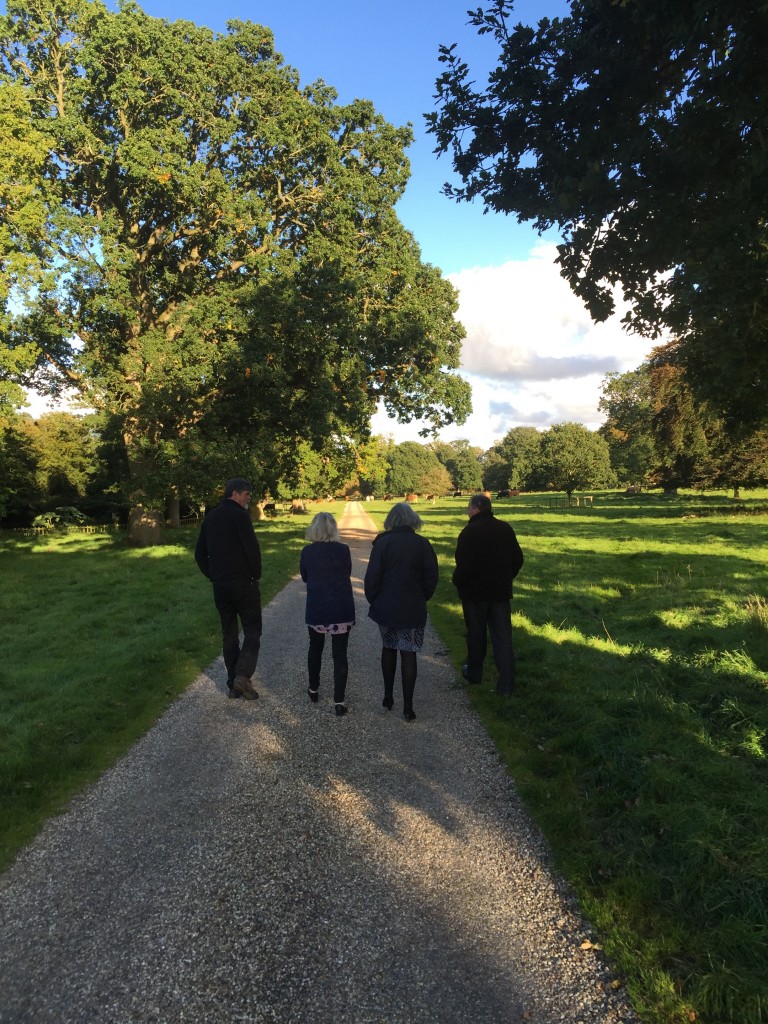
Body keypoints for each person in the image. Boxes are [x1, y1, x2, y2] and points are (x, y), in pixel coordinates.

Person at [364, 501, 439, 722]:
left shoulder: (382, 544)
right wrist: (422, 597)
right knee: (408, 653)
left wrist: (375, 600)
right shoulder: (422, 544)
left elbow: (372, 578)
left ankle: (388, 697)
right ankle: (408, 707)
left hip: (386, 607)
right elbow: (431, 576)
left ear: (391, 520)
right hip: (412, 607)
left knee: (388, 648)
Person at [194, 478, 262, 700]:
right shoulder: (240, 516)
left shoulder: (211, 517)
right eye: (246, 495)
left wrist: (213, 575)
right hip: (244, 583)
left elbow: (199, 554)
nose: (248, 498)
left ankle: (233, 685)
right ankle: (242, 675)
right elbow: (251, 549)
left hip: (221, 586)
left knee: (229, 633)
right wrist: (256, 575)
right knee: (252, 629)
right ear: (234, 493)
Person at [452, 492, 524, 696]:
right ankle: (507, 684)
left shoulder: (469, 532)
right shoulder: (505, 528)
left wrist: (458, 582)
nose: (467, 511)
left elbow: (463, 565)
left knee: (476, 634)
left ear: (476, 508)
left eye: (468, 507)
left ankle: (474, 673)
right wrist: (506, 577)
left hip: (475, 595)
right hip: (500, 593)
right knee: (503, 637)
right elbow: (518, 559)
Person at [299, 511, 356, 717]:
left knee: (315, 648)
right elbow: (347, 572)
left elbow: (305, 576)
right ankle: (339, 701)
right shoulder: (344, 550)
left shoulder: (307, 551)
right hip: (341, 608)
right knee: (340, 655)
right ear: (334, 528)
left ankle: (313, 689)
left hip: (317, 609)